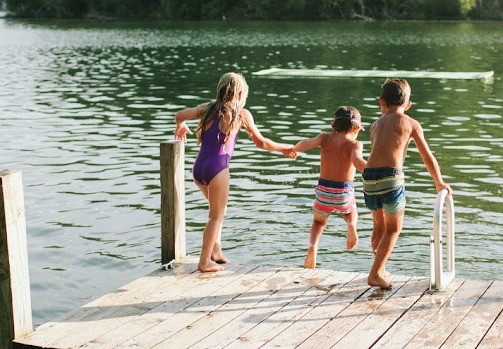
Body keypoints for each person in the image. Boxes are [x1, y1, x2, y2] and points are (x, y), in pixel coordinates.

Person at [175, 72, 296, 272]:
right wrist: (283, 147)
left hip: (199, 169)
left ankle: (216, 252)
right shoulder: (241, 114)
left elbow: (179, 115)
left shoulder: (207, 109)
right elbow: (262, 142)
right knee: (216, 215)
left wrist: (181, 127)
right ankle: (204, 261)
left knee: (216, 213)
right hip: (218, 169)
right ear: (240, 94)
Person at [362, 78, 451, 289]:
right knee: (393, 228)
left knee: (379, 225)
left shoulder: (375, 125)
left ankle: (379, 266)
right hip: (391, 178)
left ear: (381, 102)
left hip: (369, 177)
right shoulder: (411, 123)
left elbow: (378, 151)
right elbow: (427, 157)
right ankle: (375, 273)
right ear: (408, 104)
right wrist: (439, 182)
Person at [292, 106, 367, 269]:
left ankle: (313, 247)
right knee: (350, 211)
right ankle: (351, 225)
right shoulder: (355, 144)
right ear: (356, 128)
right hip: (344, 191)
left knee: (318, 222)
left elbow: (306, 144)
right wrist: (375, 170)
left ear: (333, 125)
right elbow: (358, 162)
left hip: (324, 190)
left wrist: (294, 149)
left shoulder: (324, 137)